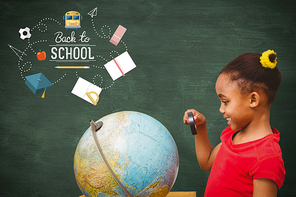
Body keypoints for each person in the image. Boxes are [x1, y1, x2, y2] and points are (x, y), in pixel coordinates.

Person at [183, 50, 286, 197]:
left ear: (253, 100)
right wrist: (199, 126)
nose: (221, 109)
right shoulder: (234, 134)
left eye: (225, 102)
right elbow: (206, 162)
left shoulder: (267, 158)